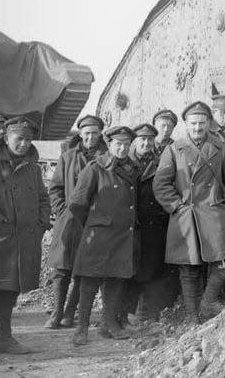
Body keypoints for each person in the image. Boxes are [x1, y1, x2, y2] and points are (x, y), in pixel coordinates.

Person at [153, 101, 225, 322]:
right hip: (186, 215)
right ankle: (191, 315)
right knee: (189, 268)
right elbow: (160, 184)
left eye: (202, 123)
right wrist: (176, 205)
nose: (198, 128)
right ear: (186, 124)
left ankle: (207, 302)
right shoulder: (173, 149)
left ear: (208, 123)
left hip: (214, 212)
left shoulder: (220, 147)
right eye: (193, 123)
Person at [0, 117, 51, 353]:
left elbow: (43, 198)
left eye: (28, 139)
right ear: (6, 138)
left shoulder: (33, 168)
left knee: (9, 291)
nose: (24, 144)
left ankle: (3, 339)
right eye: (19, 138)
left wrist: (41, 224)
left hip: (23, 242)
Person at [69, 126, 139, 346]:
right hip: (98, 235)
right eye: (118, 144)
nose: (122, 148)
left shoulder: (131, 168)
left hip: (121, 236)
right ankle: (81, 328)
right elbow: (77, 203)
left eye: (127, 144)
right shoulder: (95, 168)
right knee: (89, 281)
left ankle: (108, 324)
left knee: (115, 280)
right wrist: (95, 223)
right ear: (109, 144)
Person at [46, 114, 107, 329]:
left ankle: (70, 312)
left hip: (94, 222)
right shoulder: (68, 156)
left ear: (100, 134)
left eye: (94, 133)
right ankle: (57, 311)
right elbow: (55, 188)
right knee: (62, 267)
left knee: (84, 268)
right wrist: (63, 211)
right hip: (70, 220)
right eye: (86, 133)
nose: (90, 137)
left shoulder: (107, 156)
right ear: (80, 134)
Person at [125, 123, 178, 322]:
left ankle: (147, 312)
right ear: (135, 142)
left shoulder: (160, 163)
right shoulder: (126, 164)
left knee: (152, 267)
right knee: (131, 269)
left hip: (154, 224)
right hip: (131, 225)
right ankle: (126, 313)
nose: (146, 143)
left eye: (149, 139)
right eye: (142, 139)